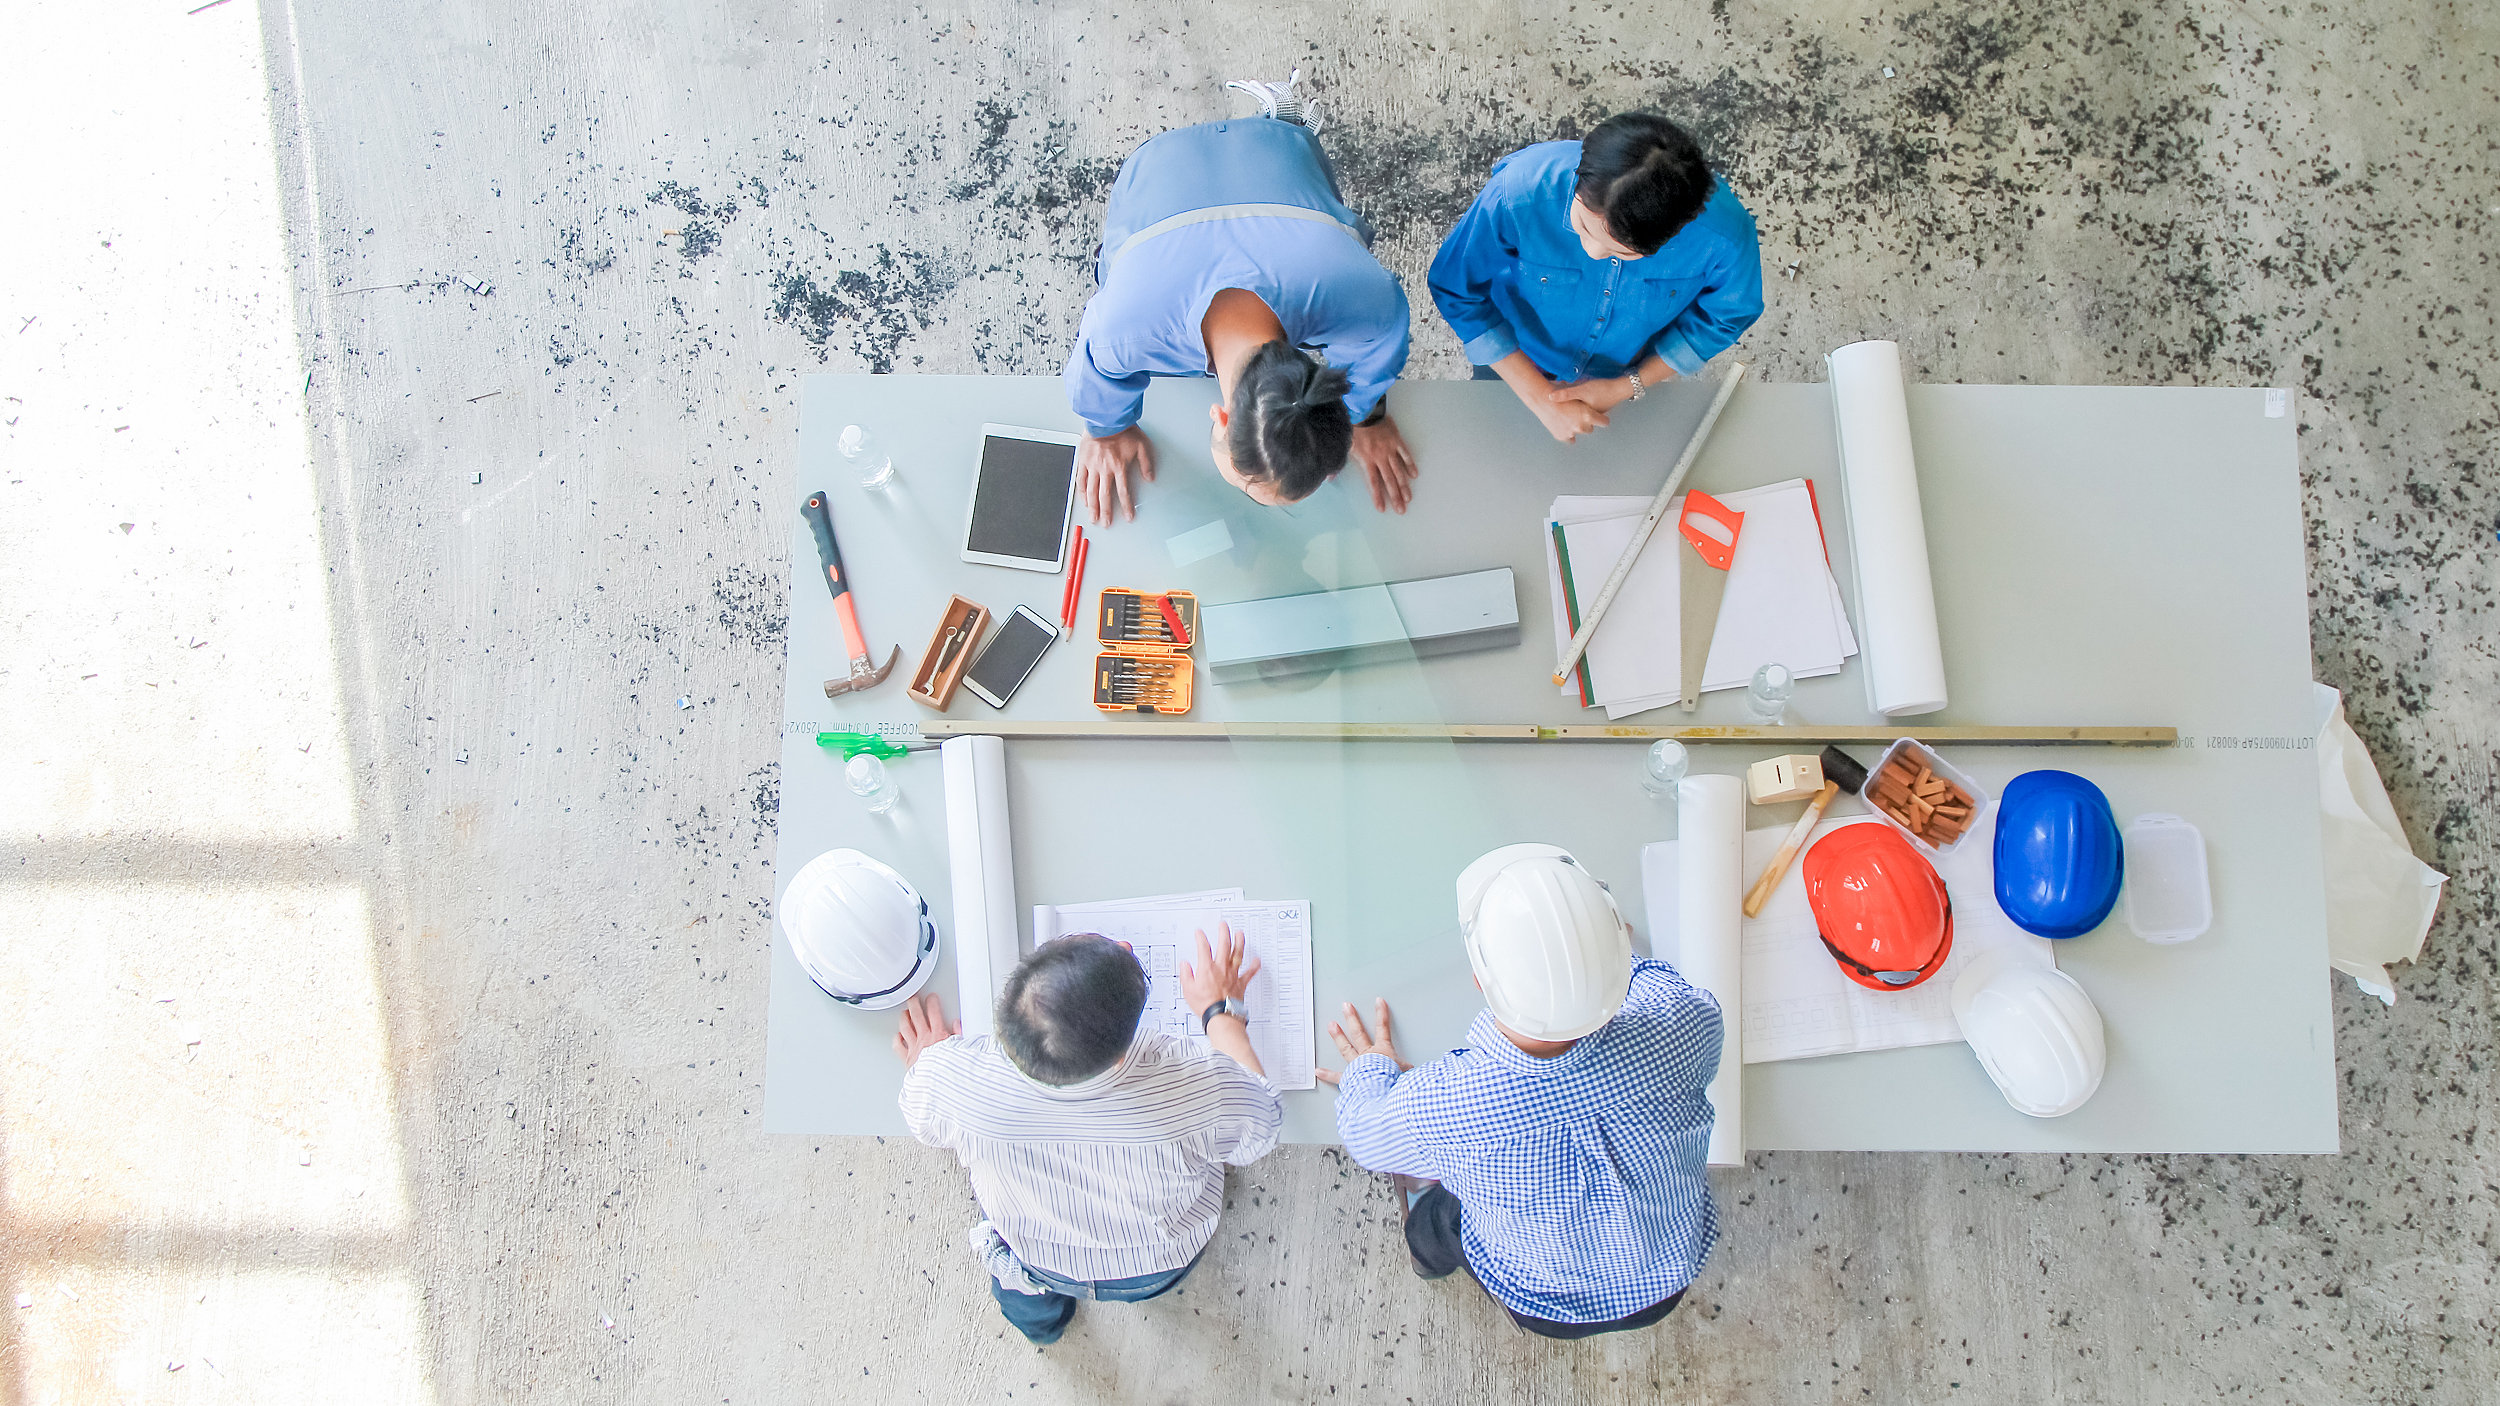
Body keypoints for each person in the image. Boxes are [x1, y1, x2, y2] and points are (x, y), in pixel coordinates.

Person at [1319, 844, 1723, 1338]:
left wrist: (1372, 1070)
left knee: (1435, 1220)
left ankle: (1429, 1260)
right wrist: (1600, 955)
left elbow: (1365, 1138)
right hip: (1670, 1277)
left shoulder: (1441, 1106)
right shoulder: (1684, 1022)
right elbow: (1661, 982)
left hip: (1545, 1304)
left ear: (1479, 982)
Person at [895, 923, 1279, 1345]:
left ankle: (1043, 1330)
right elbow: (1260, 1128)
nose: (1124, 944)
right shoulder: (1193, 1085)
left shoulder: (951, 1077)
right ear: (1120, 1055)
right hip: (1154, 1263)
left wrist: (928, 1061)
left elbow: (921, 1116)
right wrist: (1221, 1014)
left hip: (1038, 1257)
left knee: (1019, 1288)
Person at [1063, 69, 1420, 523]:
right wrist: (1107, 432)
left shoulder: (1361, 297)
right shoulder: (1127, 329)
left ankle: (1281, 125)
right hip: (1155, 166)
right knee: (1112, 269)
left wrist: (1363, 420)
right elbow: (1092, 370)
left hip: (1281, 156)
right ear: (1220, 418)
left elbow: (1383, 339)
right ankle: (1276, 127)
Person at [1427, 113, 1764, 444]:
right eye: (1584, 226)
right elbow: (1455, 286)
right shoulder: (1517, 192)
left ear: (1677, 232)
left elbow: (1725, 317)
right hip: (1513, 356)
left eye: (1625, 253)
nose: (1592, 251)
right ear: (1579, 177)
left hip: (1626, 372)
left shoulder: (1726, 238)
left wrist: (1629, 385)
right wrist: (1539, 397)